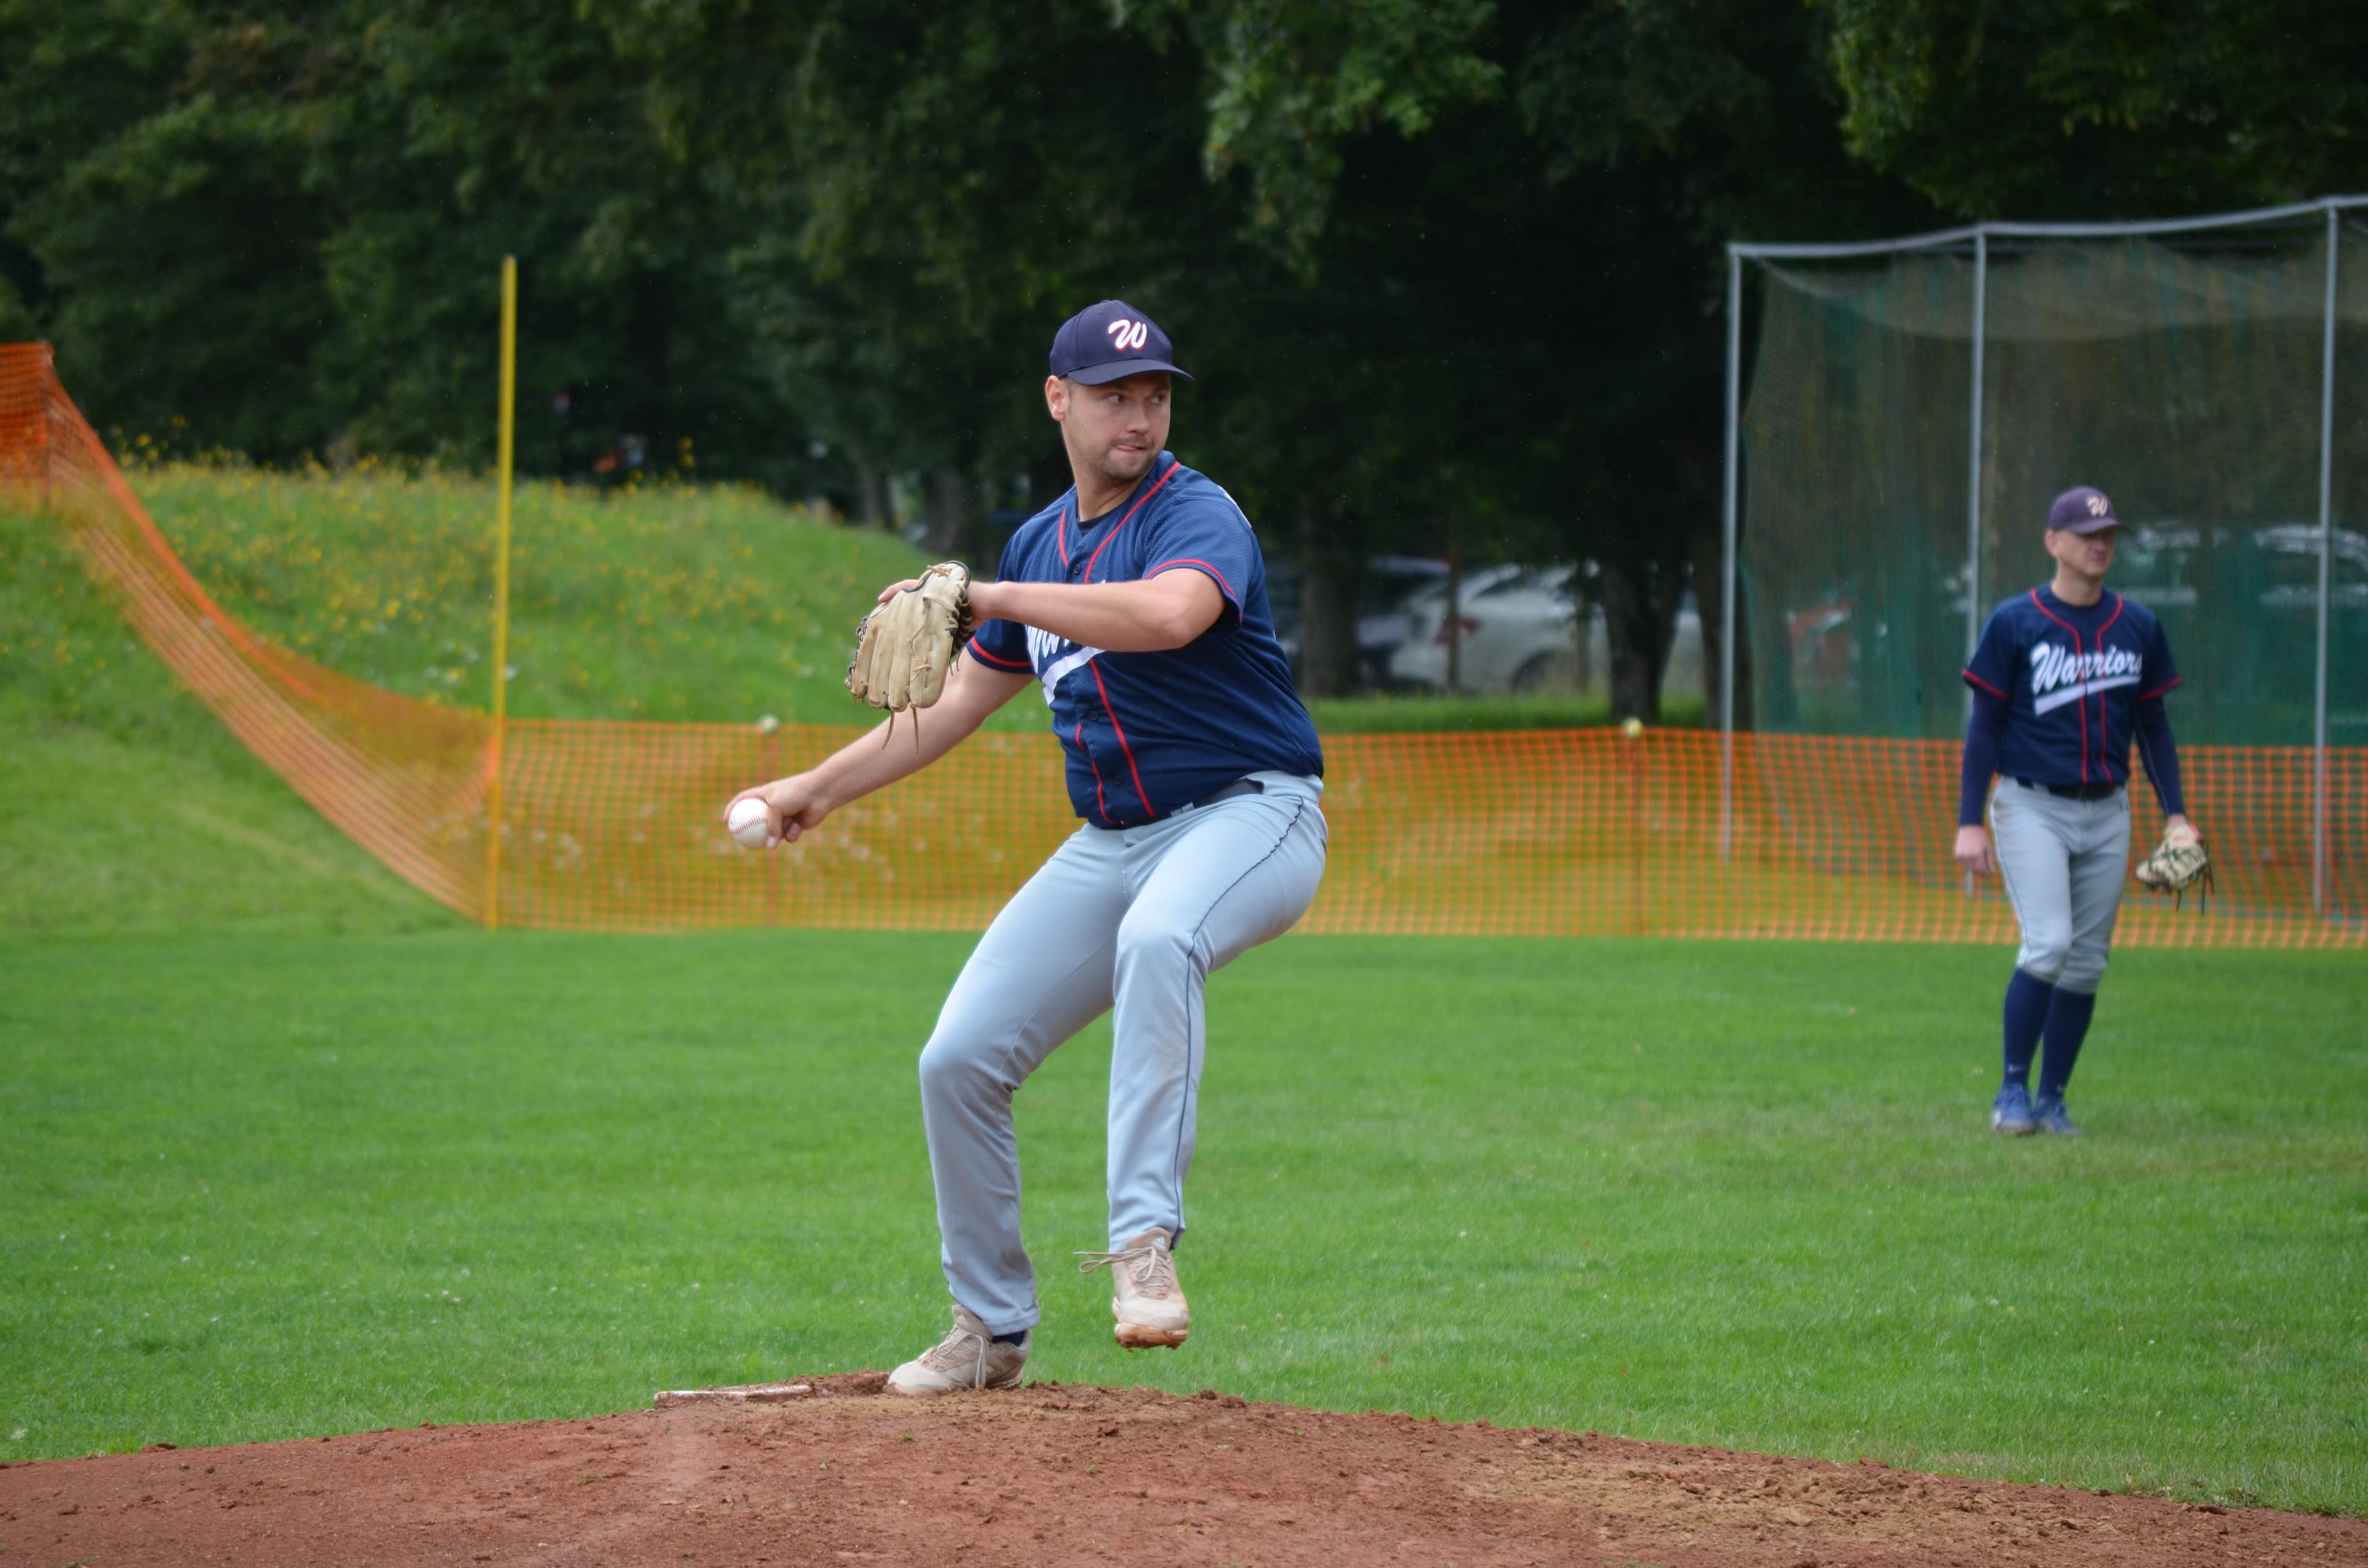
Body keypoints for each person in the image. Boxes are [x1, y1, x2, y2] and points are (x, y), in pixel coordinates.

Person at [729, 300, 1327, 1394]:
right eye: (1113, 396)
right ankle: (988, 1328)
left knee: (1161, 937)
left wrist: (988, 595)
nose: (1137, 416)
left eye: (1153, 395)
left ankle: (1143, 1246)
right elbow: (954, 703)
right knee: (958, 1056)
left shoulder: (1197, 513)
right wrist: (815, 787)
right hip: (1114, 841)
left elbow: (1167, 616)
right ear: (1059, 400)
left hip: (1254, 813)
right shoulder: (1040, 544)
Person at [1955, 485, 2190, 1136]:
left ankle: (2053, 1100)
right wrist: (1969, 820)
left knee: (2087, 961)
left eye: (2108, 533)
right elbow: (1984, 728)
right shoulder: (2015, 621)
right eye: (2086, 533)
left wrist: (2177, 814)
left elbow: (2155, 728)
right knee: (2050, 941)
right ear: (2053, 542)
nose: (2100, 543)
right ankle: (2010, 1091)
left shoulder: (2137, 625)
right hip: (2032, 804)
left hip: (2108, 809)